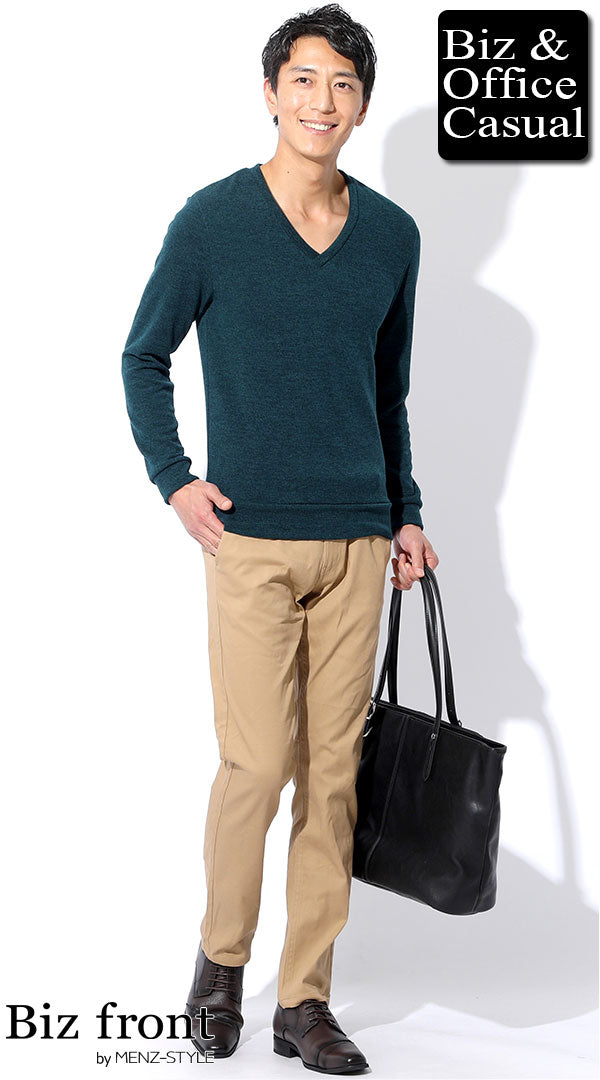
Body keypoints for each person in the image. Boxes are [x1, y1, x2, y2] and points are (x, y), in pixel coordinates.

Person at [121, 3, 439, 1073]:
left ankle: (305, 1000)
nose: (321, 100)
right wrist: (175, 480)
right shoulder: (213, 221)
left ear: (362, 105)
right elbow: (143, 355)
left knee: (332, 778)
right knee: (256, 766)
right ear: (271, 93)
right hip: (249, 540)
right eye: (303, 79)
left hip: (357, 543)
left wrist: (406, 510)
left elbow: (387, 393)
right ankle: (220, 963)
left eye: (342, 83)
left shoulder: (393, 235)